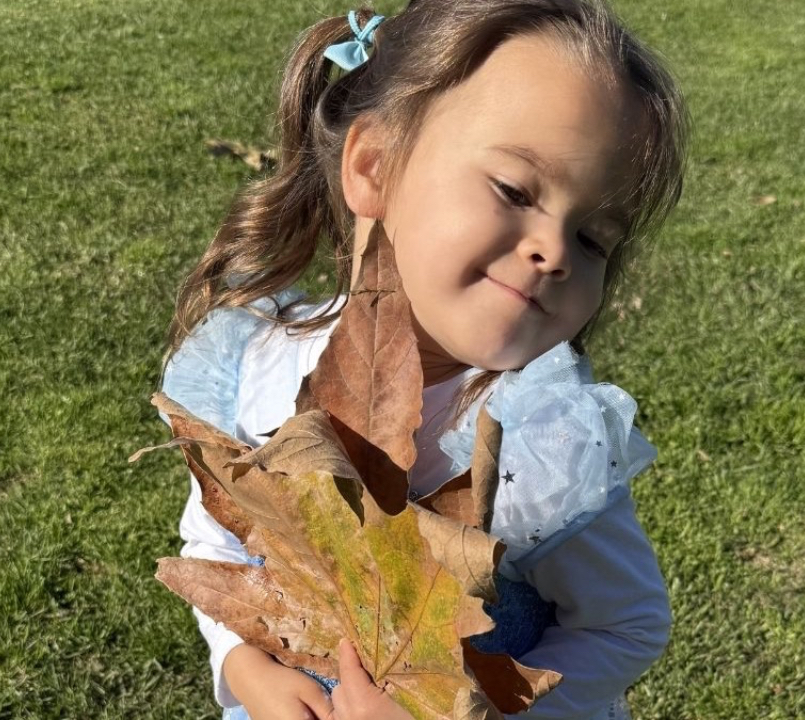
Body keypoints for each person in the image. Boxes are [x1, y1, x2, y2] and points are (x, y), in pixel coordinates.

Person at [157, 1, 687, 718]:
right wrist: (245, 667)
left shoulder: (537, 452)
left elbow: (624, 625)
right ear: (374, 167)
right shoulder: (256, 375)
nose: (556, 250)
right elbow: (218, 541)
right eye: (514, 190)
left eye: (593, 237)